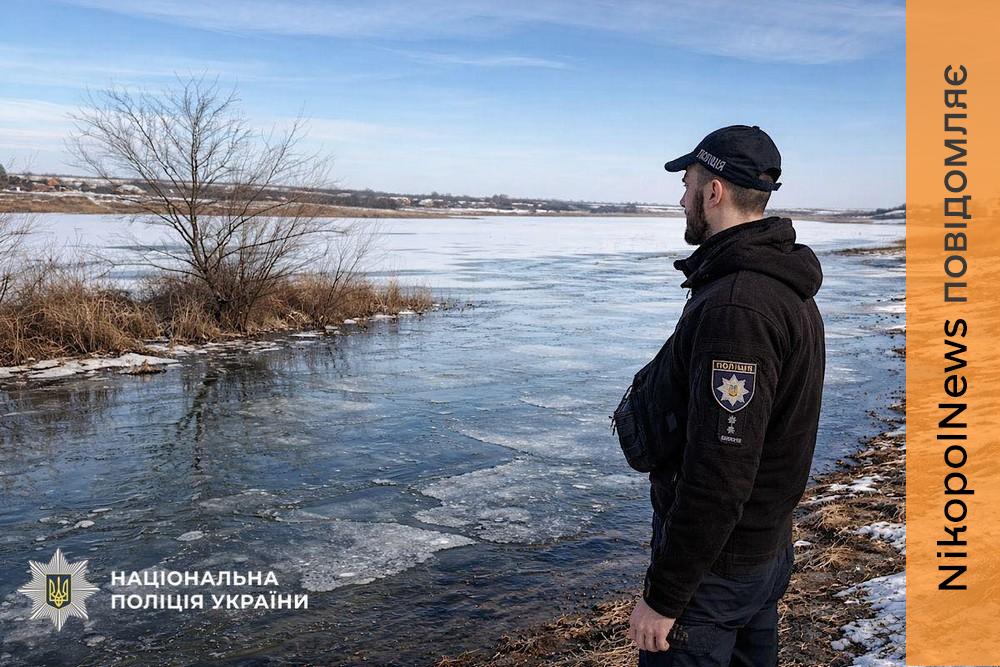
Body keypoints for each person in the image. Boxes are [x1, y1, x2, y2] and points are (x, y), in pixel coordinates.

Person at [626, 125, 826, 666]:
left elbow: (720, 472)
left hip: (714, 579)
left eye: (688, 183)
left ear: (713, 191)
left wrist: (664, 598)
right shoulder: (778, 284)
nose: (682, 197)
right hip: (758, 557)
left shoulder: (738, 307)